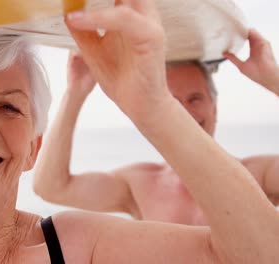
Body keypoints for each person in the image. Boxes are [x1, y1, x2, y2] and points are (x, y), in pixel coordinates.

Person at [0, 0, 278, 263]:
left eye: (9, 107)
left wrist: (154, 107)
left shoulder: (79, 246)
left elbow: (256, 255)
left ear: (34, 147)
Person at [33, 28, 279, 225]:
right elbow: (51, 186)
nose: (185, 112)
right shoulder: (140, 183)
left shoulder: (258, 175)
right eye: (172, 102)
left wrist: (272, 79)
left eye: (195, 98)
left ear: (214, 108)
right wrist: (75, 93)